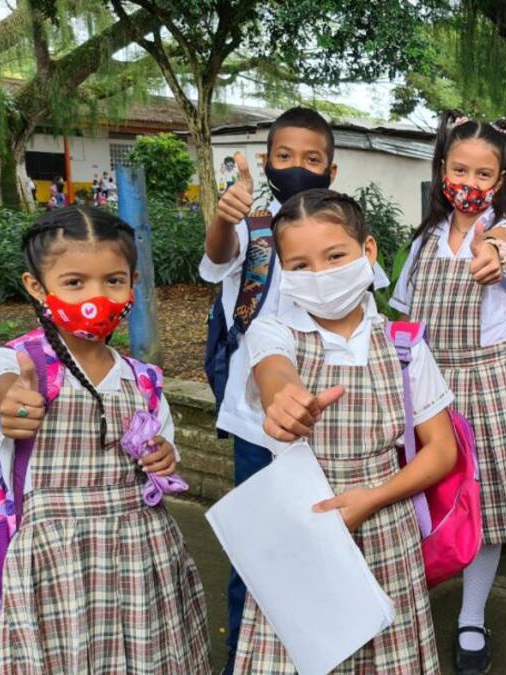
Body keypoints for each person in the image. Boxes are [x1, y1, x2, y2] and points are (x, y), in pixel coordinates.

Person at [0, 205, 211, 672]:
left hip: (141, 550)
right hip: (57, 557)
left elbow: (164, 443)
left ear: (133, 285)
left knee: (148, 654)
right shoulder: (20, 363)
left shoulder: (142, 380)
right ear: (37, 287)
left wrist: (164, 454)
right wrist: (11, 400)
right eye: (75, 282)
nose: (96, 296)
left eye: (114, 281)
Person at [233, 189, 456, 674]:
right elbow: (275, 375)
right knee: (300, 650)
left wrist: (373, 498)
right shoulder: (275, 332)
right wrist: (284, 400)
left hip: (384, 525)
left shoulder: (403, 345)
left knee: (384, 652)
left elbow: (441, 450)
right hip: (302, 523)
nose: (320, 276)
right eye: (300, 266)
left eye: (335, 256)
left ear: (368, 252)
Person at [391, 111, 506, 674]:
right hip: (428, 384)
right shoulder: (424, 243)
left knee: (483, 506)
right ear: (441, 168)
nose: (469, 182)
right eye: (458, 168)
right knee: (426, 500)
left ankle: (470, 615)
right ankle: (410, 597)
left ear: (502, 180)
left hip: (490, 385)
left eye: (484, 174)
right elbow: (402, 319)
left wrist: (495, 251)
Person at [198, 106, 338, 673]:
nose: (297, 167)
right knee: (256, 546)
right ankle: (243, 658)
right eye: (285, 156)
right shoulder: (251, 229)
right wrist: (224, 215)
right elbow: (215, 260)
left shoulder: (341, 230)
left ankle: (316, 649)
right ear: (266, 161)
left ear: (332, 167)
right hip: (255, 419)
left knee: (321, 540)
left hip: (325, 418)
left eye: (311, 158)